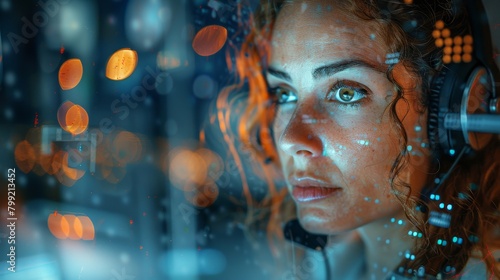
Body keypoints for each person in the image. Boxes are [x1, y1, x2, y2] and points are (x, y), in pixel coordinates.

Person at [219, 0, 500, 278]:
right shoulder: (324, 269)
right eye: (285, 94)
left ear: (452, 112)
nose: (290, 139)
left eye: (347, 93)